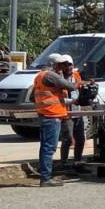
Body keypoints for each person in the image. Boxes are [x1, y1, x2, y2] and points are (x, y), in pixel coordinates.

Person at [34, 53, 77, 187]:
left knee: (45, 147)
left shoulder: (39, 75)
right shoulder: (50, 75)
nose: (62, 67)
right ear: (53, 64)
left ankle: (45, 176)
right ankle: (46, 178)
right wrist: (80, 83)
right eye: (60, 64)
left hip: (46, 114)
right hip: (51, 115)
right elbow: (70, 87)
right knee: (49, 147)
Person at [56, 55, 86, 173]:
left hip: (77, 111)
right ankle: (64, 163)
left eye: (70, 64)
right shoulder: (58, 78)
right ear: (61, 66)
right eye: (65, 64)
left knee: (80, 139)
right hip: (66, 112)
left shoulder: (76, 75)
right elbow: (59, 97)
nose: (68, 67)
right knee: (67, 139)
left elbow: (80, 89)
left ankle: (77, 162)